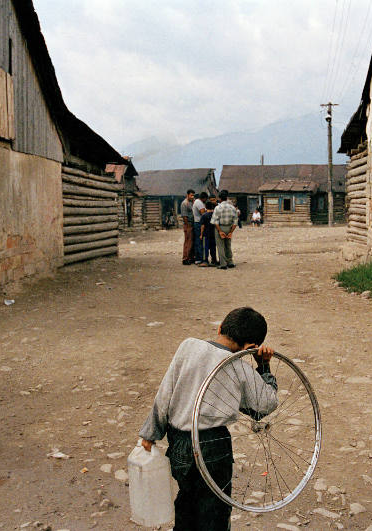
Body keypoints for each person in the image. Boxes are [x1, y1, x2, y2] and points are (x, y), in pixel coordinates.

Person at [139, 307, 277, 531]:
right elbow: (264, 405)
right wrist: (263, 366)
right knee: (215, 513)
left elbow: (165, 392)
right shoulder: (240, 366)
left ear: (220, 327)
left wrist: (150, 433)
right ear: (251, 348)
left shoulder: (188, 345)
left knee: (186, 502)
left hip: (179, 444)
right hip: (214, 446)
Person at [211, 190, 238, 270]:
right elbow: (235, 222)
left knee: (220, 246)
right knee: (228, 245)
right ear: (227, 198)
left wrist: (220, 231)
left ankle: (223, 263)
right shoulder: (232, 208)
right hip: (229, 227)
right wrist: (230, 232)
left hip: (220, 227)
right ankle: (230, 262)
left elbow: (215, 222)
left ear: (219, 198)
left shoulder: (217, 208)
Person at [199, 198, 218, 267]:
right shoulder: (214, 215)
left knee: (205, 248)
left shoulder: (204, 215)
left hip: (206, 234)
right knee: (213, 248)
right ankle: (214, 260)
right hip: (213, 234)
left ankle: (205, 261)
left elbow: (202, 226)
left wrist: (201, 234)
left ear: (206, 207)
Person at [192, 192, 208, 265]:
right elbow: (203, 213)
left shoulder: (197, 202)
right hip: (199, 223)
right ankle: (200, 258)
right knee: (199, 241)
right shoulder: (199, 203)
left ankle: (198, 258)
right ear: (204, 198)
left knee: (198, 240)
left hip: (197, 223)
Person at [180, 189, 195, 265]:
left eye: (193, 195)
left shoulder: (192, 202)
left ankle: (191, 257)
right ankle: (185, 258)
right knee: (188, 242)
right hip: (188, 224)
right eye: (191, 195)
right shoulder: (184, 203)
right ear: (187, 195)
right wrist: (188, 225)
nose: (192, 197)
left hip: (193, 224)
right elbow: (184, 216)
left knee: (192, 241)